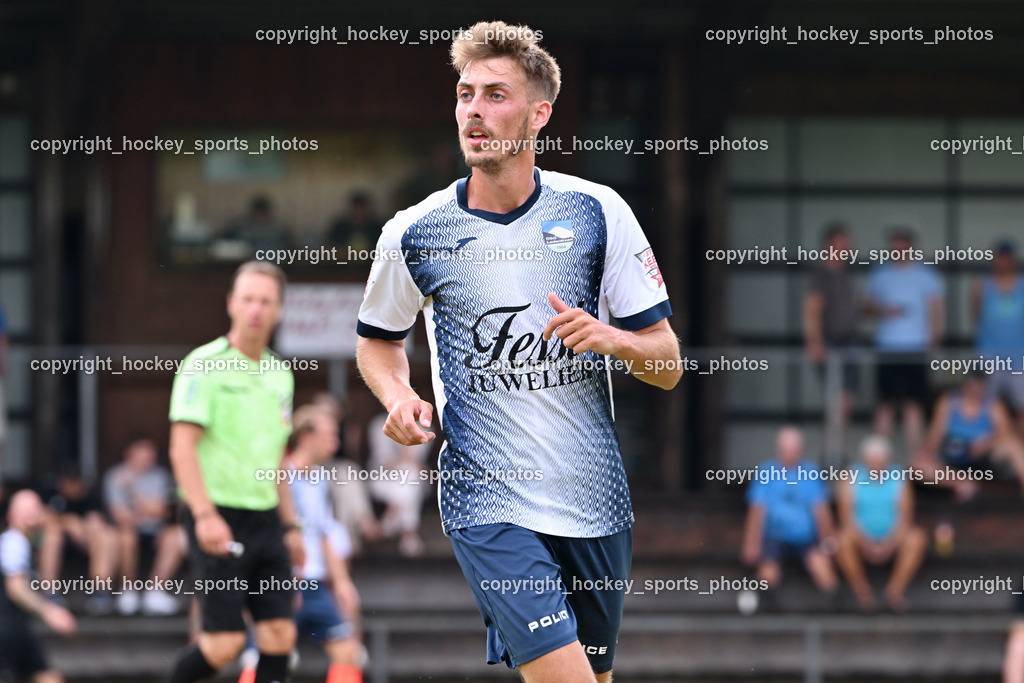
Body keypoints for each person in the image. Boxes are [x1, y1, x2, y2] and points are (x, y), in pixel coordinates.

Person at [356, 21, 682, 683]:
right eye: (465, 94)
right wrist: (398, 395)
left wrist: (613, 338)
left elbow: (668, 361)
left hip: (593, 499)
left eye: (495, 95)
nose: (474, 110)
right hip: (486, 499)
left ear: (540, 114)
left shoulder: (598, 211)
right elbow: (376, 342)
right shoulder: (415, 232)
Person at [165, 260, 305, 683]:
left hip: (267, 520)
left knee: (280, 634)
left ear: (279, 309)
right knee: (224, 644)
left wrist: (292, 526)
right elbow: (181, 448)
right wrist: (205, 516)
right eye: (247, 299)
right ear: (231, 304)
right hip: (217, 516)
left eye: (265, 301)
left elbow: (279, 457)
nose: (256, 309)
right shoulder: (202, 363)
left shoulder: (281, 373)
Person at [864, 228, 944, 458]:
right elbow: (866, 307)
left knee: (914, 406)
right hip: (887, 347)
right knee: (885, 405)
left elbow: (936, 307)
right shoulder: (880, 274)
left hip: (916, 347)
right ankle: (875, 461)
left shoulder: (926, 275)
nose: (899, 250)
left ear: (911, 247)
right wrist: (883, 310)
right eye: (895, 246)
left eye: (903, 245)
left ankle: (917, 464)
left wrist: (934, 336)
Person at [741, 427, 839, 600]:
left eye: (793, 450)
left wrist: (828, 543)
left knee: (824, 572)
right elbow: (756, 512)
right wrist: (751, 544)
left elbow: (822, 512)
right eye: (785, 450)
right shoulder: (766, 471)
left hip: (805, 539)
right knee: (767, 576)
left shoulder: (811, 472)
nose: (789, 454)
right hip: (774, 537)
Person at [835, 436, 928, 612]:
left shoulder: (899, 477)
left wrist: (889, 544)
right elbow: (846, 518)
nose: (876, 464)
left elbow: (906, 517)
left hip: (892, 537)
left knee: (917, 538)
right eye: (872, 459)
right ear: (865, 460)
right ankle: (863, 594)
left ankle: (895, 591)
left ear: (887, 460)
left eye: (880, 459)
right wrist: (867, 543)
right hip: (860, 536)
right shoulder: (850, 476)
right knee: (841, 540)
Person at [0, 490, 76, 683]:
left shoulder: (25, 542)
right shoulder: (14, 542)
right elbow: (15, 588)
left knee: (47, 677)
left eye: (35, 510)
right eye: (26, 512)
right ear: (11, 515)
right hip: (8, 630)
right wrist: (50, 612)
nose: (32, 516)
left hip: (16, 629)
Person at [912, 372, 1024, 500]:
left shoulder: (994, 405)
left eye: (979, 387)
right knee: (919, 466)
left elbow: (1006, 433)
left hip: (983, 458)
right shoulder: (948, 402)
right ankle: (963, 483)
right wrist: (927, 452)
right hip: (953, 458)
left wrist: (986, 443)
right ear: (964, 386)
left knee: (1014, 446)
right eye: (971, 387)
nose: (975, 391)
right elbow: (934, 435)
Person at [104, 437, 185, 616]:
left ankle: (155, 592)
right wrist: (148, 511)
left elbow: (163, 511)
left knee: (176, 535)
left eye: (151, 453)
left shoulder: (160, 475)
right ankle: (128, 591)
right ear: (130, 454)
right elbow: (120, 515)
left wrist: (132, 492)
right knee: (126, 535)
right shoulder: (115, 475)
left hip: (156, 531)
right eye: (143, 452)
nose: (149, 457)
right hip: (128, 531)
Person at [804, 222, 860, 461]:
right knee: (835, 401)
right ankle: (831, 454)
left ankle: (838, 449)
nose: (847, 248)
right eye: (842, 244)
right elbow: (811, 309)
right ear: (830, 244)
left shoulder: (846, 273)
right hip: (831, 343)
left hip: (850, 342)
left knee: (846, 402)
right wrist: (815, 342)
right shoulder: (821, 275)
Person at [38, 465, 118, 615]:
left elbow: (98, 520)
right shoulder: (48, 490)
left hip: (85, 541)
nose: (75, 489)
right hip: (53, 540)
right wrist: (67, 521)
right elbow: (39, 517)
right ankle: (49, 592)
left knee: (107, 535)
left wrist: (85, 528)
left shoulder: (89, 495)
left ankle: (101, 592)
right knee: (52, 535)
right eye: (70, 484)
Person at [972, 240, 1024, 435]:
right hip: (988, 355)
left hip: (1020, 358)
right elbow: (976, 314)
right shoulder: (982, 284)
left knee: (1022, 409)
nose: (1003, 263)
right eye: (999, 258)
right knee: (985, 406)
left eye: (1007, 259)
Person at [366, 412, 430, 557]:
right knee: (410, 477)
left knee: (411, 475)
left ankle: (390, 520)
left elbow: (420, 466)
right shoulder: (379, 424)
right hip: (383, 479)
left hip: (413, 480)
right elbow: (384, 463)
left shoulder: (425, 425)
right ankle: (409, 536)